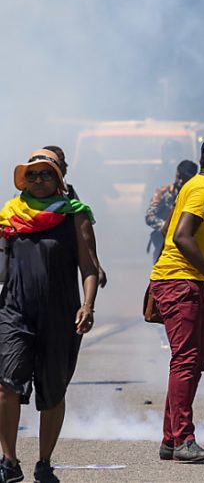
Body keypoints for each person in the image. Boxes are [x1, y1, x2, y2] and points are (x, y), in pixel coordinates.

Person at [0, 149, 99, 483]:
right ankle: (9, 462)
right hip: (15, 311)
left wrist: (88, 304)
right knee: (6, 385)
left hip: (61, 315)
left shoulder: (76, 215)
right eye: (32, 174)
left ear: (59, 179)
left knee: (53, 392)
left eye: (46, 174)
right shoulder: (10, 215)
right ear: (23, 180)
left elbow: (89, 268)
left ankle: (44, 462)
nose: (38, 180)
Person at [149, 134, 204, 462]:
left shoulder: (191, 186)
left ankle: (171, 439)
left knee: (194, 361)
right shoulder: (203, 191)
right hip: (180, 282)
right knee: (186, 360)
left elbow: (167, 230)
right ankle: (184, 440)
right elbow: (180, 235)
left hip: (184, 281)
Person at [43, 145, 107, 289]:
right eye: (61, 162)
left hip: (61, 261)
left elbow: (84, 237)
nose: (66, 166)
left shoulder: (69, 194)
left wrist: (95, 266)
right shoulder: (24, 199)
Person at [145, 160, 198, 263]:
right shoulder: (164, 192)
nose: (180, 181)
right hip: (163, 245)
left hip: (186, 247)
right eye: (179, 177)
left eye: (185, 178)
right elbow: (149, 216)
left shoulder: (195, 196)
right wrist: (167, 226)